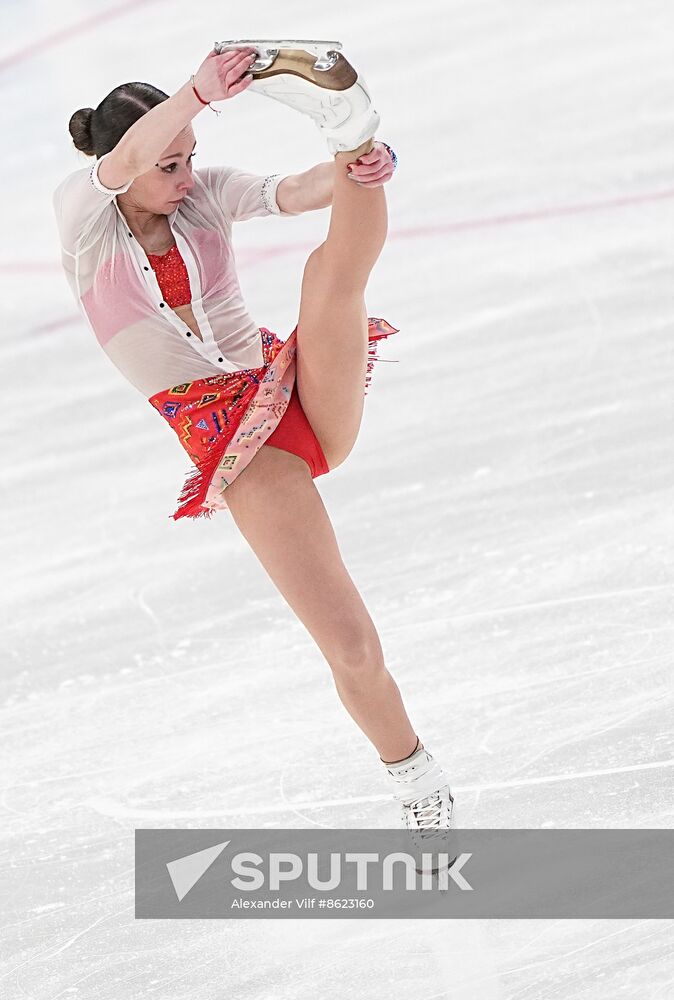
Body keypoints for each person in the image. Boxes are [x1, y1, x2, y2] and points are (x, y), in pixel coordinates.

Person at [52, 42, 454, 842]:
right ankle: (418, 779)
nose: (187, 177)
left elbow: (299, 192)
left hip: (290, 386)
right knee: (350, 645)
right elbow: (135, 152)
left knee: (327, 277)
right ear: (121, 165)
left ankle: (353, 124)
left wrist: (356, 165)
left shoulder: (201, 197)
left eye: (192, 159)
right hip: (239, 446)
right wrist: (194, 93)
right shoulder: (83, 223)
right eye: (170, 164)